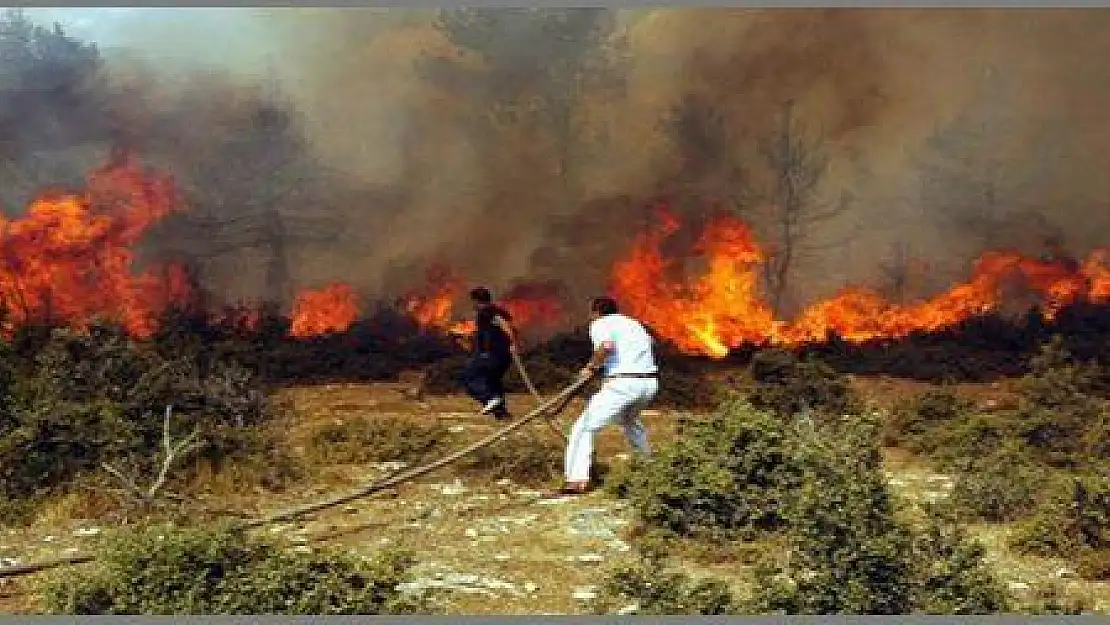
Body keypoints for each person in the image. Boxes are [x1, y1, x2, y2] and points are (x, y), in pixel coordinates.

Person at [552, 296, 658, 496]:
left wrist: (590, 368)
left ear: (595, 312)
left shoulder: (601, 323)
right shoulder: (633, 323)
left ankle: (576, 480)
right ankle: (649, 469)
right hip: (649, 383)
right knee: (630, 421)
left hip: (623, 384)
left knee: (583, 427)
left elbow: (606, 347)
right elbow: (648, 344)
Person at [459, 287, 517, 420]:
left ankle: (489, 398)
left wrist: (511, 343)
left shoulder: (487, 312)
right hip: (503, 356)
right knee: (493, 382)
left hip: (492, 354)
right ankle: (502, 415)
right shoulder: (497, 311)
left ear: (476, 301)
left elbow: (504, 326)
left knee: (469, 377)